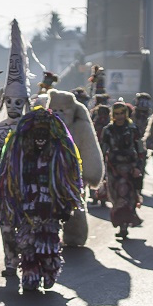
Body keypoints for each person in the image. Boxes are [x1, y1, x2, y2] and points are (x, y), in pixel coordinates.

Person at [0, 108, 83, 294]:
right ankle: (30, 276)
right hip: (28, 207)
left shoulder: (57, 157)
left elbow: (66, 181)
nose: (40, 136)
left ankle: (49, 271)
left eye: (44, 132)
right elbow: (10, 178)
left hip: (49, 209)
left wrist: (64, 205)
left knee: (48, 244)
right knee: (27, 245)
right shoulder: (21, 157)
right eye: (36, 132)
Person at [0, 20, 31, 277]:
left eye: (18, 102)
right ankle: (10, 261)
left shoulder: (33, 126)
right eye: (10, 102)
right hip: (5, 185)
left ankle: (27, 259)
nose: (13, 106)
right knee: (5, 225)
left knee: (27, 224)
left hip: (29, 185)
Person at [44, 89, 104, 246]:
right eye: (54, 110)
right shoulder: (45, 127)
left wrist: (90, 173)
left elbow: (90, 150)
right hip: (50, 174)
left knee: (75, 206)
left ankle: (75, 235)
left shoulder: (81, 127)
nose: (57, 113)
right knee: (49, 205)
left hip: (74, 175)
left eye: (61, 110)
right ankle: (50, 234)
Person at [99, 101, 145, 239]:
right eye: (117, 114)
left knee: (128, 196)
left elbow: (140, 149)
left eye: (122, 113)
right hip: (113, 168)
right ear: (113, 114)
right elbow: (103, 150)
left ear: (126, 114)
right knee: (116, 197)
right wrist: (101, 170)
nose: (119, 117)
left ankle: (124, 226)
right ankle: (120, 223)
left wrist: (138, 167)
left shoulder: (132, 129)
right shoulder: (108, 130)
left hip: (130, 167)